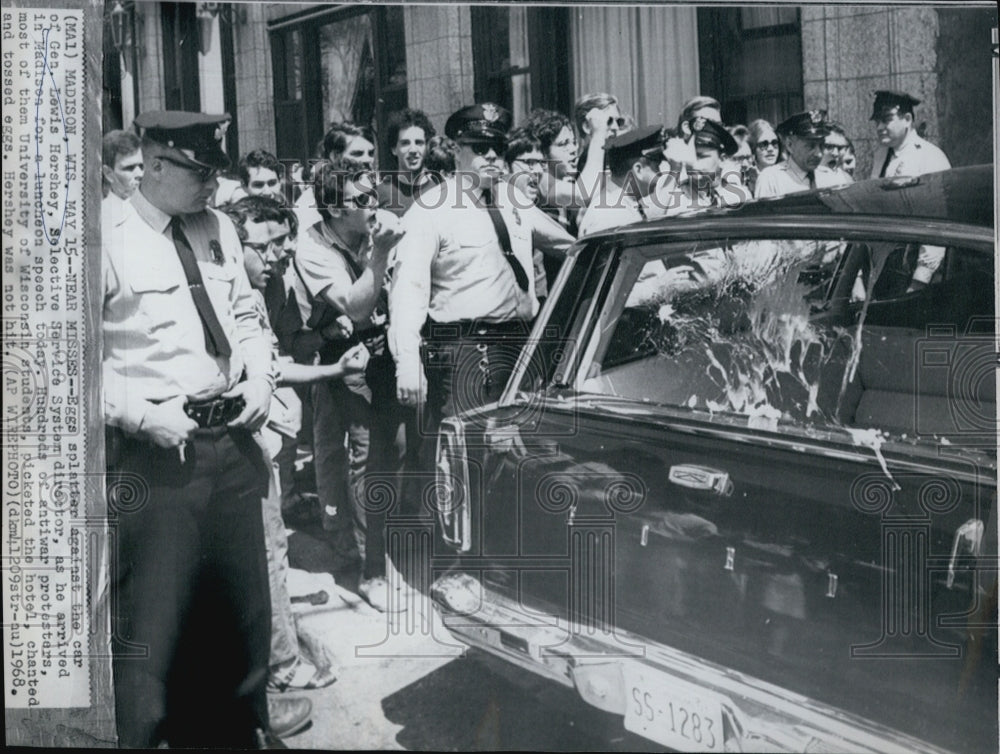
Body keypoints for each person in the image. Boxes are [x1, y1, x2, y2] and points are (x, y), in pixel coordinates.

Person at [102, 110, 309, 747]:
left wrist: (260, 383)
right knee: (155, 625)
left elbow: (248, 318)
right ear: (154, 166)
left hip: (233, 443)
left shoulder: (216, 226)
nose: (211, 188)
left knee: (241, 611)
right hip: (159, 455)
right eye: (198, 174)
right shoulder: (101, 238)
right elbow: (65, 363)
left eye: (214, 174)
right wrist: (139, 414)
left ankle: (235, 733)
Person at [224, 195, 369, 695]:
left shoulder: (259, 289)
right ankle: (283, 666)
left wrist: (332, 365)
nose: (275, 257)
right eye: (262, 247)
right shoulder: (228, 296)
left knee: (271, 546)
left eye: (281, 244)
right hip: (232, 441)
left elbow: (275, 360)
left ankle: (274, 653)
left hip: (259, 438)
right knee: (266, 550)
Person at [388, 102, 574, 486]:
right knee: (461, 461)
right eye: (479, 147)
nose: (491, 156)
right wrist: (407, 364)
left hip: (518, 347)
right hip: (464, 353)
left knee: (518, 458)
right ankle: (450, 545)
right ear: (457, 150)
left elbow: (567, 244)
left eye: (498, 149)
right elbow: (408, 294)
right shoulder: (429, 212)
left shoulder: (513, 199)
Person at [293, 159, 406, 612]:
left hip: (386, 352)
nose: (372, 204)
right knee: (362, 458)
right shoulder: (314, 248)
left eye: (372, 194)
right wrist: (380, 254)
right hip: (340, 361)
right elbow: (356, 310)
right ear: (334, 209)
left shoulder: (379, 225)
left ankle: (375, 547)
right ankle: (367, 568)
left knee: (392, 451)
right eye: (360, 200)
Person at [577, 125, 667, 236]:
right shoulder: (611, 215)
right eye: (656, 167)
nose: (660, 174)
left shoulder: (621, 206)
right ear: (638, 170)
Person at [754, 110, 848, 199]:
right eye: (810, 146)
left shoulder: (833, 178)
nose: (818, 154)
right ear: (790, 145)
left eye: (822, 145)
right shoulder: (771, 180)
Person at [504, 127, 551, 301]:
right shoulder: (499, 213)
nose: (538, 171)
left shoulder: (535, 210)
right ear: (505, 167)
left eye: (541, 163)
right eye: (529, 163)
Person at [868, 89, 950, 179]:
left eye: (886, 119)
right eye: (877, 121)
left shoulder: (930, 157)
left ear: (907, 120)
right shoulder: (880, 155)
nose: (879, 127)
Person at [377, 108, 437, 216]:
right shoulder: (380, 194)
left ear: (427, 147)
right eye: (405, 143)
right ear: (394, 149)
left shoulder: (439, 191)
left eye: (419, 143)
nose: (413, 150)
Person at [102, 129, 143, 201]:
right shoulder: (105, 211)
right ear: (109, 174)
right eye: (129, 168)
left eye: (141, 166)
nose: (140, 174)